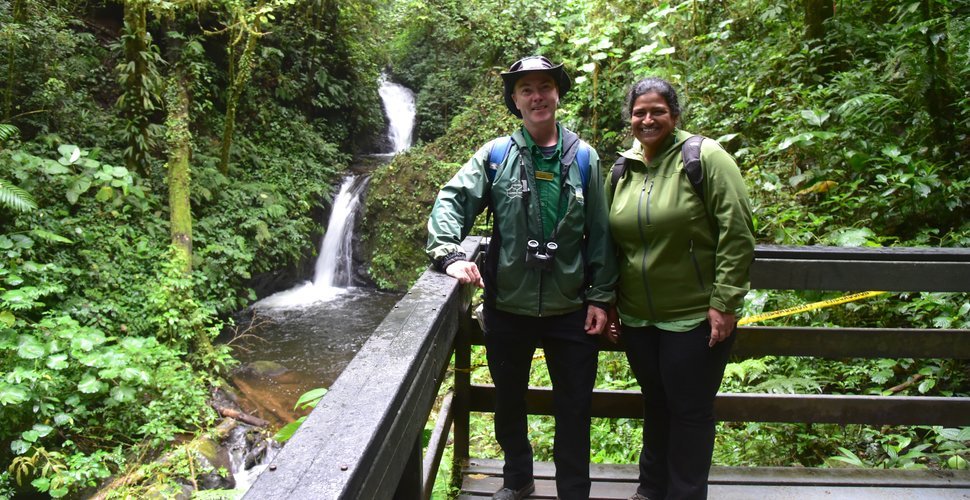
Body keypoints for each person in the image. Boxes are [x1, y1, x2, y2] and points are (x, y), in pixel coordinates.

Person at [426, 56, 617, 500]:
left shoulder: (585, 158)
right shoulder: (495, 156)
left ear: (557, 94)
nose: (537, 96)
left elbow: (601, 233)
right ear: (515, 100)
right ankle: (518, 481)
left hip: (570, 307)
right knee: (509, 404)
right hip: (508, 306)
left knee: (574, 407)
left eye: (545, 87)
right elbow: (452, 199)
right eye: (526, 89)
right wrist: (449, 254)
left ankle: (574, 491)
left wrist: (601, 296)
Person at [605, 77, 755, 500]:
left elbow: (738, 232)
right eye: (639, 112)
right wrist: (609, 298)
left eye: (657, 111)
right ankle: (651, 489)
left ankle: (685, 494)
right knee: (655, 403)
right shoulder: (623, 168)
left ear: (674, 114)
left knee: (689, 411)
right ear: (630, 118)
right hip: (638, 316)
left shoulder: (705, 157)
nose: (647, 119)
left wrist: (725, 302)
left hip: (694, 317)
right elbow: (609, 240)